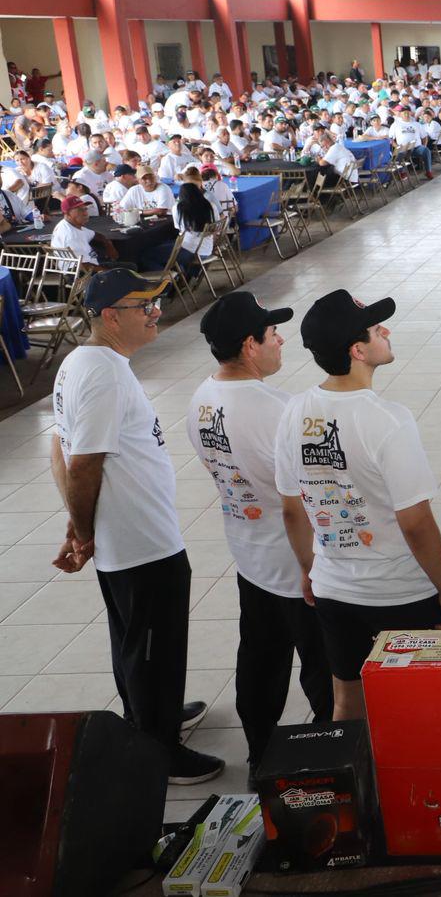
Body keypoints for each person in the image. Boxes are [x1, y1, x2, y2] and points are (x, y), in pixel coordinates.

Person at [50, 270, 223, 784]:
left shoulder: (83, 362)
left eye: (155, 300)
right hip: (140, 541)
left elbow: (58, 448)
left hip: (125, 535)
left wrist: (77, 525)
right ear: (110, 316)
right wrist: (82, 530)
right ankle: (159, 750)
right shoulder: (102, 372)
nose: (155, 311)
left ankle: (150, 716)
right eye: (143, 304)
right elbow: (80, 462)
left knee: (133, 639)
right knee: (153, 646)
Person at [274, 290, 441, 721]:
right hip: (402, 592)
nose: (387, 331)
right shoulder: (388, 419)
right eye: (378, 329)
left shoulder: (294, 412)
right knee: (421, 707)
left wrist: (309, 568)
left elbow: (292, 508)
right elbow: (415, 522)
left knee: (347, 701)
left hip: (334, 589)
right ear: (357, 350)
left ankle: (355, 786)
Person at [186, 292, 332, 777]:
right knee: (322, 668)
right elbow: (302, 500)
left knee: (260, 660)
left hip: (250, 557)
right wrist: (312, 566)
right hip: (299, 566)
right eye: (272, 334)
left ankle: (260, 753)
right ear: (250, 345)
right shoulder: (279, 409)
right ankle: (332, 760)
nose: (281, 340)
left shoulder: (201, 399)